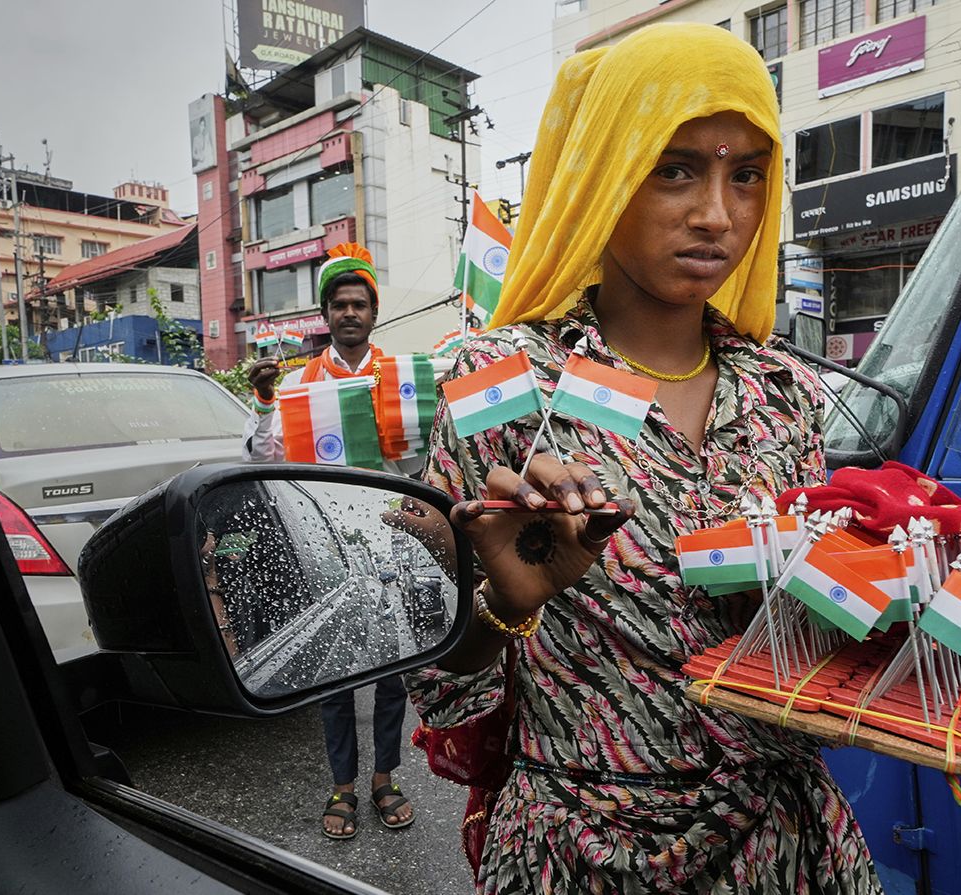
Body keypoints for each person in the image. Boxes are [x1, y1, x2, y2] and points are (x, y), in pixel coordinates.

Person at [410, 23, 880, 893]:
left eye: (746, 175)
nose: (718, 213)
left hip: (784, 845)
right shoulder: (503, 381)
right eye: (675, 169)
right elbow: (440, 681)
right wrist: (502, 608)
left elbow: (814, 641)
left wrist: (871, 613)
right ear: (600, 177)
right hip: (583, 855)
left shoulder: (785, 393)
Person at [240, 241, 415, 839]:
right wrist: (265, 404)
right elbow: (267, 458)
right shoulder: (296, 384)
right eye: (338, 304)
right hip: (328, 547)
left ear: (373, 312)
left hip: (390, 544)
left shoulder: (401, 379)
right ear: (326, 314)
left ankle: (383, 778)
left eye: (359, 304)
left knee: (394, 675)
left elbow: (420, 459)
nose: (349, 313)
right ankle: (342, 786)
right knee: (336, 677)